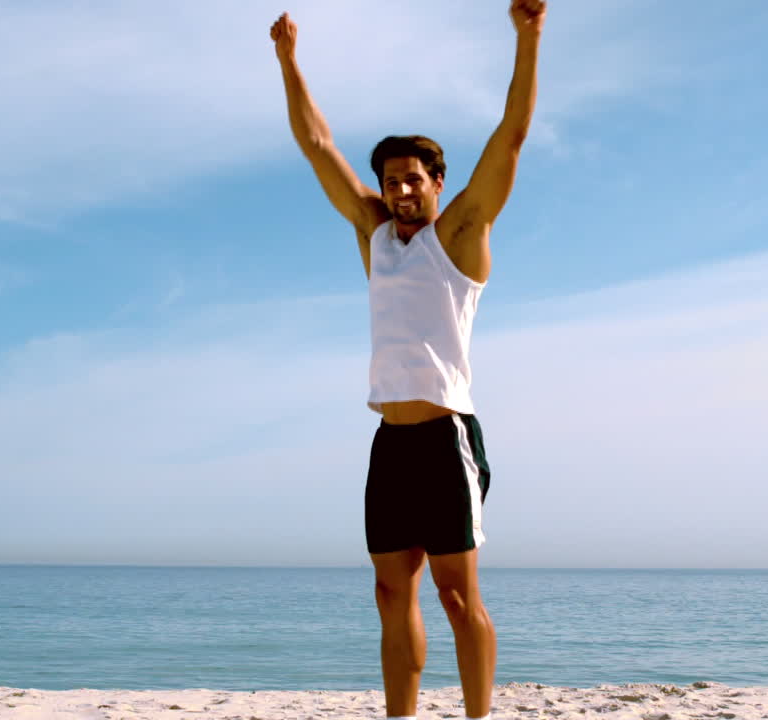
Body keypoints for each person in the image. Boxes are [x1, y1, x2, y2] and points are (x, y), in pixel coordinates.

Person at [270, 2, 544, 718]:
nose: (398, 190)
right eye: (390, 179)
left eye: (412, 179)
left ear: (436, 181)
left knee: (459, 597)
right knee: (392, 594)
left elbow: (510, 139)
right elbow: (317, 143)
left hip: (446, 435)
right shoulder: (375, 237)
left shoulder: (458, 235)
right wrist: (288, 60)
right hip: (390, 441)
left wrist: (528, 37)